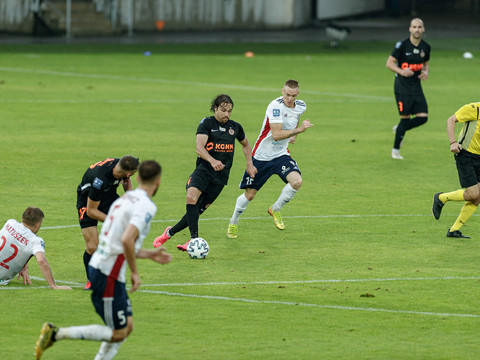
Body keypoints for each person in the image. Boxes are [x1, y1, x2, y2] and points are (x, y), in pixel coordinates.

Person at [35, 160, 172, 360]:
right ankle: (56, 333)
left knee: (127, 327)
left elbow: (118, 243)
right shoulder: (145, 206)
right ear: (158, 181)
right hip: (108, 274)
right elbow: (125, 240)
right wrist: (135, 272)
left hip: (105, 268)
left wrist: (148, 254)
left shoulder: (121, 201)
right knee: (119, 332)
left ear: (138, 177)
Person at [153, 94, 257, 251]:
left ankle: (169, 233)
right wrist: (212, 161)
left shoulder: (235, 127)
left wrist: (249, 164)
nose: (226, 115)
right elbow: (199, 147)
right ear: (215, 108)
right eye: (223, 110)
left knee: (196, 211)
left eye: (229, 111)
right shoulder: (207, 123)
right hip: (203, 170)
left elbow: (246, 145)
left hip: (221, 177)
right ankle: (194, 240)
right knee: (191, 197)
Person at [227, 79, 313, 238]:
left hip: (281, 155)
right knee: (250, 195)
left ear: (297, 94)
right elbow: (276, 135)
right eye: (287, 94)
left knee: (296, 182)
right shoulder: (275, 107)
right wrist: (298, 131)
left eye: (293, 95)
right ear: (282, 91)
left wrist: (293, 135)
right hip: (262, 157)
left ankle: (275, 209)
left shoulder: (301, 105)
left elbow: (296, 116)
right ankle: (233, 222)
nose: (289, 98)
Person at [77, 156, 139, 290]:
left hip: (108, 196)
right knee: (92, 247)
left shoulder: (121, 164)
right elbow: (91, 211)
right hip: (87, 202)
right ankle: (91, 281)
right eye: (132, 174)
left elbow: (126, 180)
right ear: (128, 172)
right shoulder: (100, 180)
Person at [432, 102, 480, 239]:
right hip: (465, 154)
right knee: (473, 193)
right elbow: (451, 120)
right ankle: (441, 198)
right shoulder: (474, 109)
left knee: (478, 196)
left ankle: (454, 230)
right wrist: (453, 142)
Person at [386, 18, 431, 160]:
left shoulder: (426, 47)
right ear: (410, 29)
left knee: (423, 117)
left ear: (423, 29)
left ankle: (399, 129)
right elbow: (389, 63)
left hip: (416, 87)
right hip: (402, 88)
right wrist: (401, 71)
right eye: (414, 27)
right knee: (405, 119)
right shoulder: (402, 46)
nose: (417, 29)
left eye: (419, 27)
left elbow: (425, 63)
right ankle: (396, 150)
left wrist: (425, 72)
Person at [0, 207, 72, 290]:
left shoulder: (10, 223)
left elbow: (12, 242)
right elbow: (41, 260)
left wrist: (24, 264)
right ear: (37, 224)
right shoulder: (35, 241)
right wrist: (53, 286)